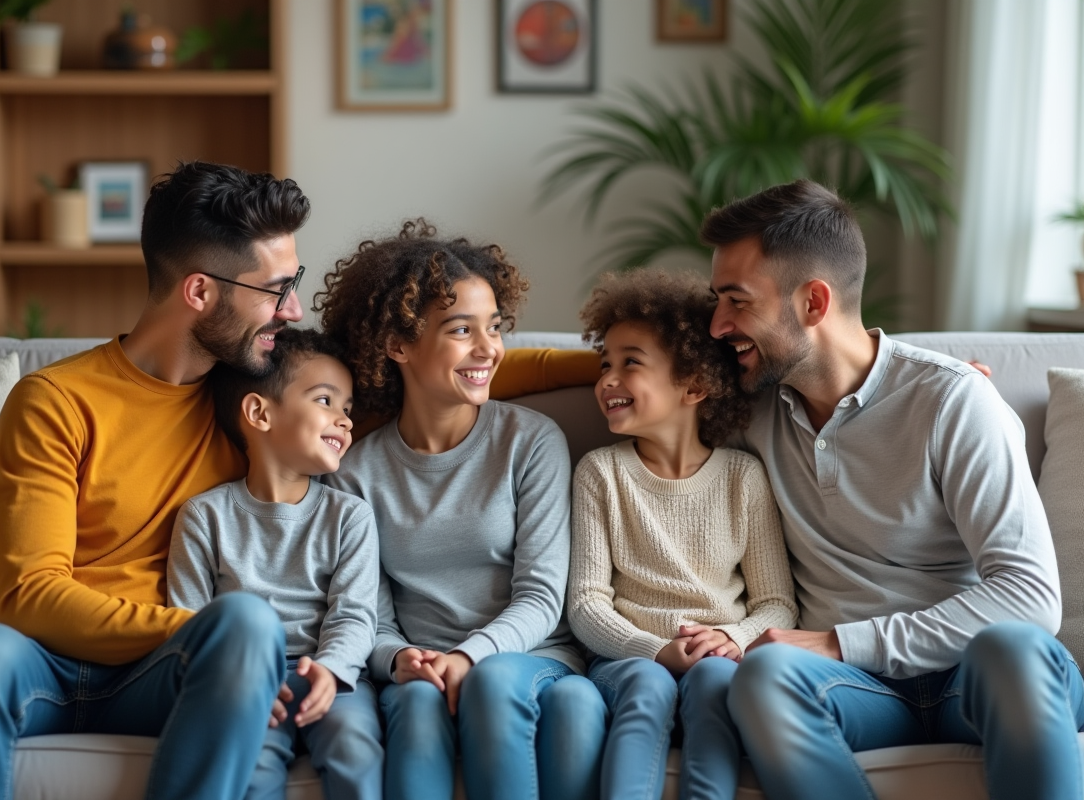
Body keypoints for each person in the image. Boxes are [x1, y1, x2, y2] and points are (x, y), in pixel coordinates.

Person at [0, 161, 311, 800]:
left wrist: (513, 359)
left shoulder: (263, 402)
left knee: (248, 625)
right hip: (39, 661)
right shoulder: (56, 399)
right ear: (200, 292)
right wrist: (185, 627)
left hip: (161, 673)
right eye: (277, 288)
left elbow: (419, 383)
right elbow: (30, 596)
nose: (292, 308)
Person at [701, 180, 1081, 800]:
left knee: (1014, 648)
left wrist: (837, 641)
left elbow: (1032, 596)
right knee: (766, 673)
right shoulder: (746, 405)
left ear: (814, 303)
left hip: (972, 676)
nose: (717, 325)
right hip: (857, 691)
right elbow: (638, 362)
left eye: (736, 301)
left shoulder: (953, 400)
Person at [318, 219, 608, 800]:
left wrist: (470, 657)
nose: (488, 349)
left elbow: (543, 595)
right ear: (398, 345)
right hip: (421, 670)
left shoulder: (531, 442)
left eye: (495, 328)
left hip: (531, 656)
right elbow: (367, 616)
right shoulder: (354, 472)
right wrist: (400, 659)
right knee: (418, 704)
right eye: (460, 330)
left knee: (504, 684)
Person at [569, 268, 798, 800]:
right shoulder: (600, 473)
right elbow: (585, 602)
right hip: (627, 663)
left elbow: (776, 604)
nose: (607, 379)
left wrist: (732, 639)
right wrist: (653, 651)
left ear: (694, 385)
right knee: (648, 685)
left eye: (630, 363)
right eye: (605, 363)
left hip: (718, 663)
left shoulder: (744, 478)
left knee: (716, 682)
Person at [167, 328, 384, 800]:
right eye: (326, 401)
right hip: (245, 678)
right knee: (256, 765)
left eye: (348, 409)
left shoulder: (350, 516)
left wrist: (332, 669)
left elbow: (354, 613)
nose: (345, 422)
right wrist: (234, 683)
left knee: (355, 749)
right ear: (259, 413)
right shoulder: (204, 516)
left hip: (333, 674)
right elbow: (188, 622)